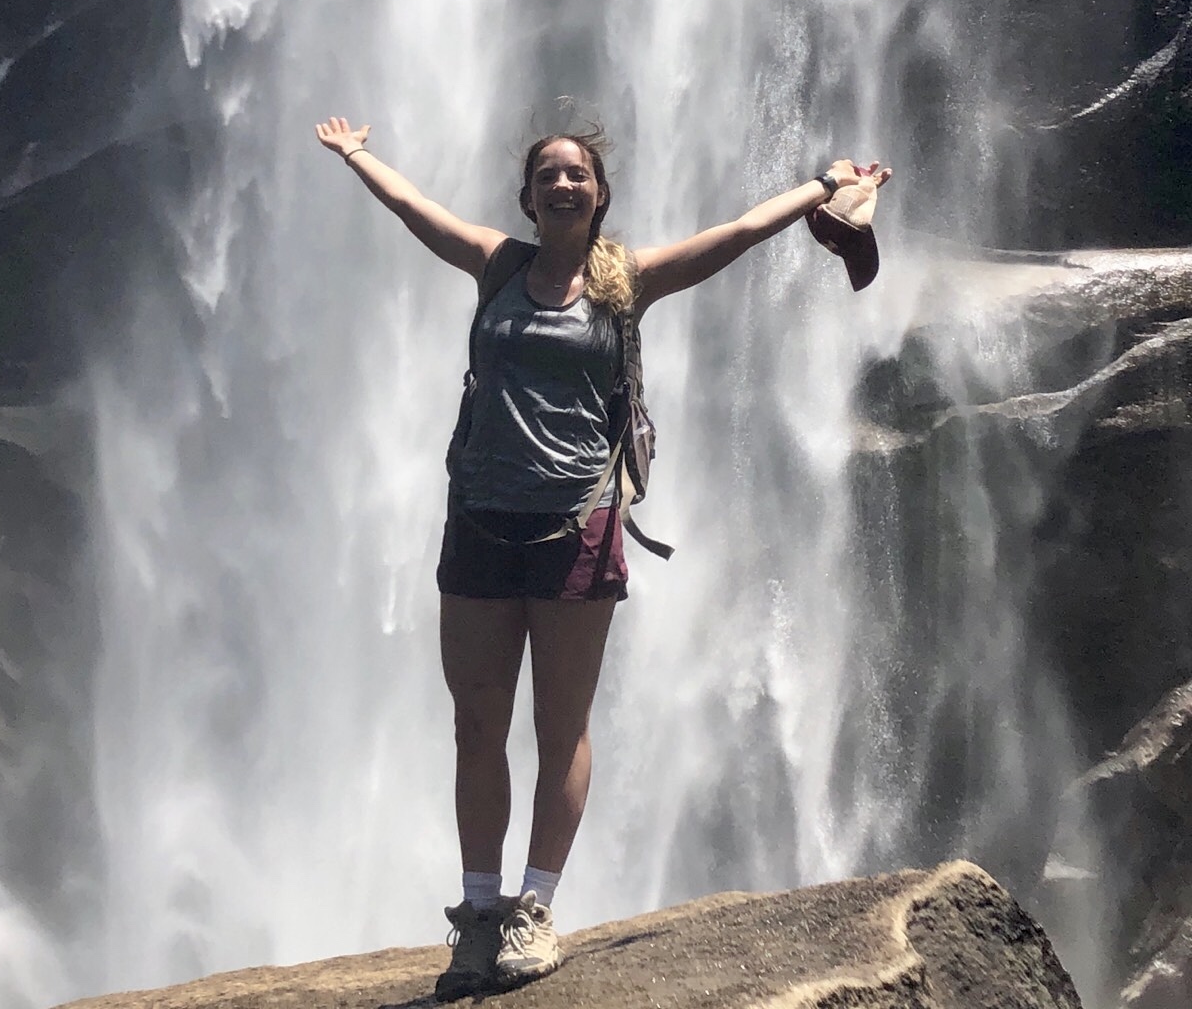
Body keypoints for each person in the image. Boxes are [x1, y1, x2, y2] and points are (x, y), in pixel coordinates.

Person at [314, 115, 891, 999]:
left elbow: (733, 235)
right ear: (528, 195)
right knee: (476, 725)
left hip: (576, 529)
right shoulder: (496, 263)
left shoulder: (628, 279)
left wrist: (823, 187)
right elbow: (411, 207)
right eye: (549, 174)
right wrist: (357, 155)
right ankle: (477, 914)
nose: (564, 185)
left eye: (577, 174)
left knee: (560, 728)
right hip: (479, 522)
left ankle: (533, 911)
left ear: (599, 194)